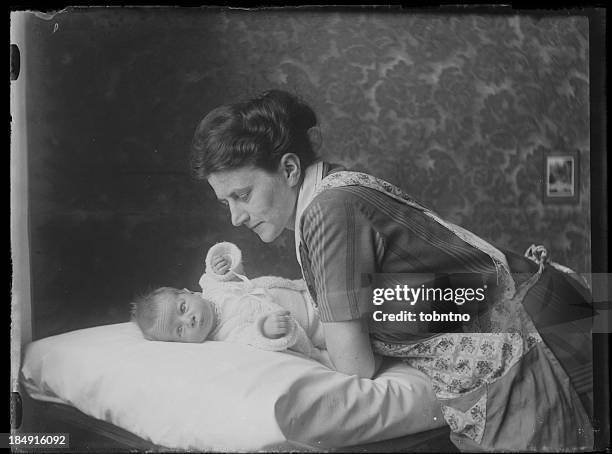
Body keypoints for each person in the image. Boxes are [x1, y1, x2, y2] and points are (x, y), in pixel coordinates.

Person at [189, 89, 593, 451]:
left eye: (242, 195)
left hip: (541, 341)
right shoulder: (332, 192)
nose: (236, 218)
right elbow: (403, 305)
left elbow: (355, 365)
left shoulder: (328, 211)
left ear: (290, 169)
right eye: (227, 203)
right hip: (539, 320)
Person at [130, 242, 328, 365]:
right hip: (316, 325)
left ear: (188, 292)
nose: (188, 320)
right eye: (179, 330)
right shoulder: (226, 335)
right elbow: (252, 338)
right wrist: (266, 330)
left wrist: (221, 265)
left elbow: (226, 274)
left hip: (306, 291)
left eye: (182, 308)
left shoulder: (212, 288)